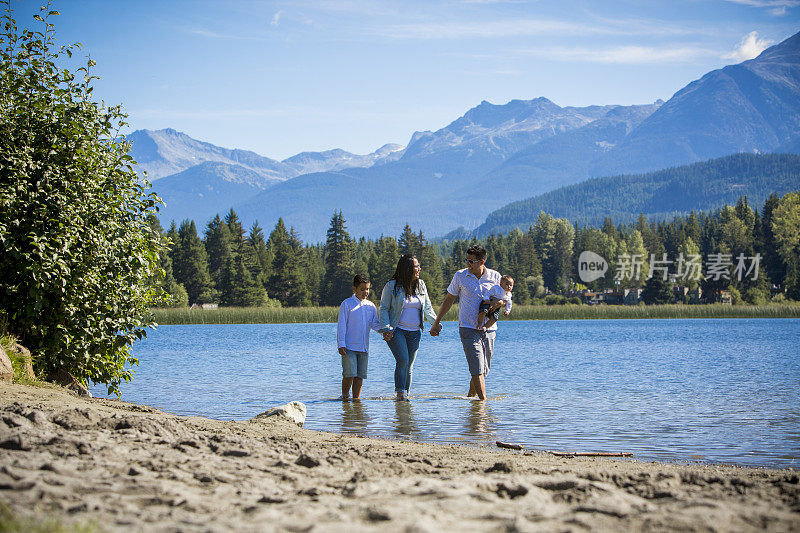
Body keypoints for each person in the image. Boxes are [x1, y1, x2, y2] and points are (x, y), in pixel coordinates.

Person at [430, 244, 500, 401]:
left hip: (489, 329)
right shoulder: (460, 276)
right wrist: (437, 322)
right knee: (476, 368)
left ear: (482, 262)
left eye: (471, 261)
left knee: (483, 369)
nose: (468, 264)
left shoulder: (495, 277)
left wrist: (497, 304)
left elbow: (504, 298)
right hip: (468, 328)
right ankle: (483, 405)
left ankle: (471, 400)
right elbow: (448, 300)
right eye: (467, 260)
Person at [379, 254, 437, 401]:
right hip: (396, 330)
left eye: (418, 266)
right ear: (407, 269)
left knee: (409, 365)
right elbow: (384, 308)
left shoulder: (421, 285)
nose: (419, 269)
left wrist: (436, 323)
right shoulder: (391, 286)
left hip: (415, 332)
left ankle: (405, 397)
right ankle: (399, 394)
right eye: (416, 266)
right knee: (403, 360)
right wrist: (386, 328)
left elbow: (428, 308)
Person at [337, 274, 390, 400]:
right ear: (354, 289)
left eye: (367, 289)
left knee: (360, 376)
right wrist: (341, 344)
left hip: (364, 348)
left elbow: (374, 324)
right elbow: (341, 326)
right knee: (349, 374)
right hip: (349, 347)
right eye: (362, 289)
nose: (365, 292)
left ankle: (356, 400)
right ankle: (345, 397)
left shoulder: (370, 306)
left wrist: (384, 332)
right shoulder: (347, 304)